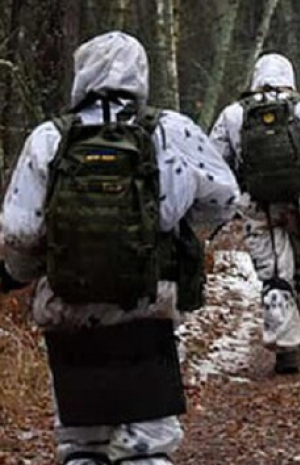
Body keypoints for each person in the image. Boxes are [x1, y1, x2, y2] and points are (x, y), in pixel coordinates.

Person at [0, 31, 239, 464]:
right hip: (147, 309)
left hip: (69, 313)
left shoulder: (49, 139)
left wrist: (19, 274)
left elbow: (20, 232)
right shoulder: (170, 130)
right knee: (147, 445)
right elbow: (224, 197)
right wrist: (178, 226)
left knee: (82, 445)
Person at [210, 53, 300, 374]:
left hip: (257, 202)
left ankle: (286, 348)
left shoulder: (234, 114)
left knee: (275, 272)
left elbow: (214, 159)